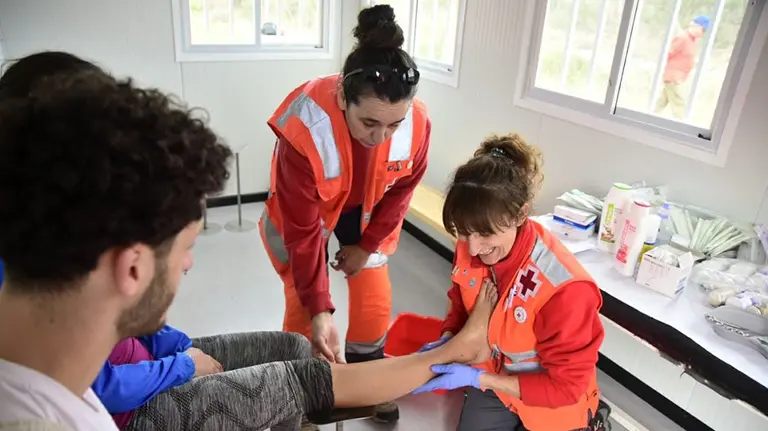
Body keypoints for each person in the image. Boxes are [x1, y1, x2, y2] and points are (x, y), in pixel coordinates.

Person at [0, 51, 495, 431]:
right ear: (130, 266)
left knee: (297, 351)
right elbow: (302, 235)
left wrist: (176, 351)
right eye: (186, 248)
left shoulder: (51, 286)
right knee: (304, 375)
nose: (191, 264)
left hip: (150, 365)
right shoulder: (46, 411)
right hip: (145, 394)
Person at [259, 4, 431, 423]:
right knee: (303, 307)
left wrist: (366, 246)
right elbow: (302, 232)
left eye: (393, 125)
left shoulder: (416, 123)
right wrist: (321, 310)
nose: (381, 137)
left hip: (368, 210)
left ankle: (367, 379)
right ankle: (299, 393)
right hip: (309, 212)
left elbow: (403, 189)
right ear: (342, 98)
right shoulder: (306, 126)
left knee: (374, 297)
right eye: (369, 122)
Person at [413, 133, 608, 431]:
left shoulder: (564, 289)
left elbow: (566, 387)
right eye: (463, 232)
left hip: (551, 398)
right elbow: (460, 300)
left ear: (520, 215)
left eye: (485, 234)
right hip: (496, 380)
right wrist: (451, 337)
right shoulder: (472, 243)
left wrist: (479, 379)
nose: (473, 249)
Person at [654, 15, 710, 120]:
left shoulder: (692, 41)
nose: (703, 33)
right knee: (679, 103)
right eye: (703, 30)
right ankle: (679, 123)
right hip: (674, 77)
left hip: (679, 77)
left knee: (662, 101)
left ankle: (651, 115)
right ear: (696, 26)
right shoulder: (683, 38)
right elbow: (668, 53)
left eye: (704, 31)